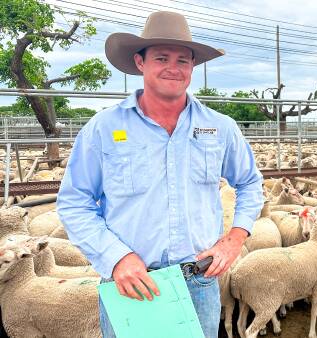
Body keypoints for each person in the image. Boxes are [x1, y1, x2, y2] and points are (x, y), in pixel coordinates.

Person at [57, 11, 263, 338]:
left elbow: (251, 184)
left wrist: (234, 239)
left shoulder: (221, 127)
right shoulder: (104, 128)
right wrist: (116, 258)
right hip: (130, 282)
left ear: (193, 67)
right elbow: (74, 201)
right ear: (140, 62)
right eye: (161, 57)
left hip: (199, 280)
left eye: (183, 60)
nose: (173, 67)